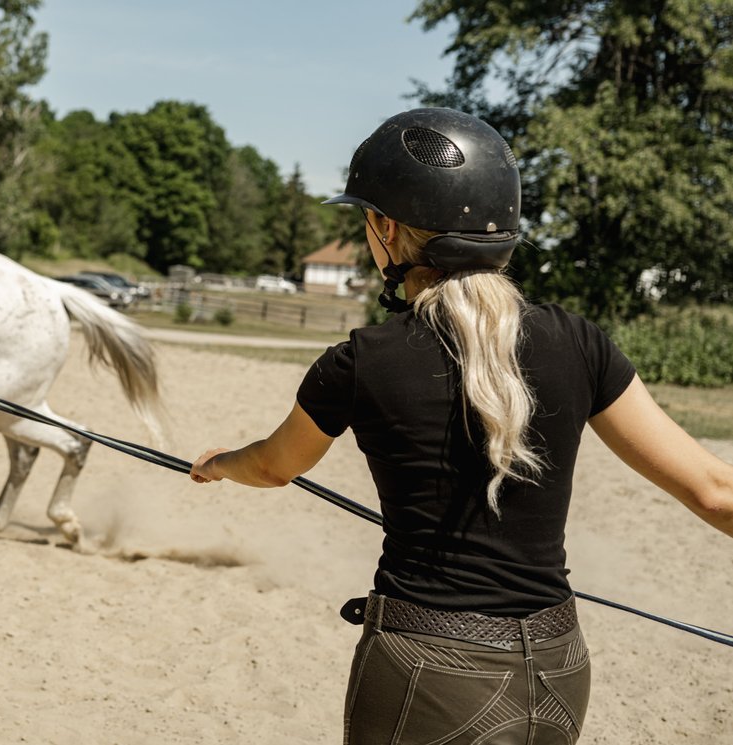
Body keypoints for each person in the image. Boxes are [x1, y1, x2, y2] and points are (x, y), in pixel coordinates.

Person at [188, 108, 733, 745]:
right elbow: (715, 492)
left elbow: (273, 466)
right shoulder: (581, 344)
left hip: (428, 670)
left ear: (387, 229)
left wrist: (220, 462)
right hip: (559, 669)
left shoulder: (361, 362)